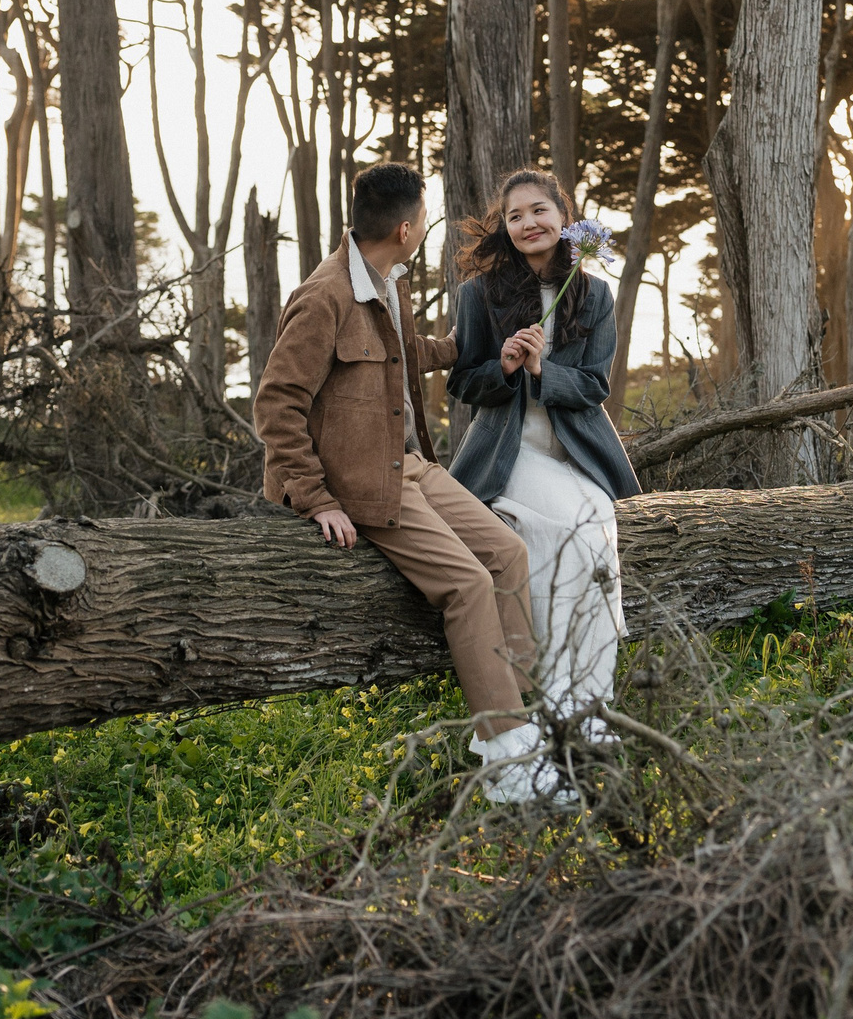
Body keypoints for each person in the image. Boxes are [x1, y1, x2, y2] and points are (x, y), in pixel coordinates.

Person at [252, 162, 572, 805]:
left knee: (508, 553)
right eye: (424, 219)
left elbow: (403, 351)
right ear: (404, 228)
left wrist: (468, 348)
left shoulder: (384, 279)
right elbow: (276, 404)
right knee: (467, 584)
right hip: (363, 481)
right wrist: (316, 499)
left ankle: (525, 722)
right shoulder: (324, 298)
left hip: (409, 463)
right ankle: (509, 761)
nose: (426, 229)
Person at [448, 169, 642, 746]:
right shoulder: (478, 294)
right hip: (513, 452)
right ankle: (560, 697)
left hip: (575, 450)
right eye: (514, 217)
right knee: (574, 530)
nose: (528, 223)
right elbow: (462, 382)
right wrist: (504, 368)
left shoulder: (595, 293)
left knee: (599, 525)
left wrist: (543, 370)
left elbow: (594, 386)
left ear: (565, 217)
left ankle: (592, 705)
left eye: (539, 211)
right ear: (504, 229)